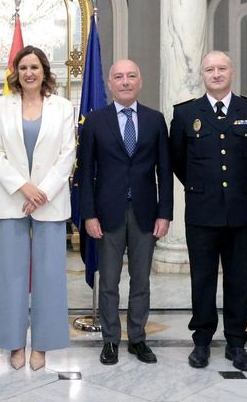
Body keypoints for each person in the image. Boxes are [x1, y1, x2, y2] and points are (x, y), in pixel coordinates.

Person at [169, 51, 247, 371]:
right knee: (203, 279)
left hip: (240, 210)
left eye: (222, 68)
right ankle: (202, 341)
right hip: (201, 210)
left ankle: (237, 342)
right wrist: (204, 186)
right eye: (210, 69)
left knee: (239, 279)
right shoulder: (185, 114)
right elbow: (179, 162)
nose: (216, 74)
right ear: (202, 75)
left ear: (232, 72)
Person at [0, 46, 76, 371]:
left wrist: (43, 191)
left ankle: (43, 344)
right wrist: (23, 187)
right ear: (16, 73)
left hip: (50, 202)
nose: (29, 73)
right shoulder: (0, 105)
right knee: (11, 275)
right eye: (23, 67)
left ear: (44, 71)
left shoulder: (63, 107)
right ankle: (13, 342)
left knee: (50, 275)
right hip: (12, 200)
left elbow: (67, 154)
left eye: (34, 67)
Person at [78, 59, 173, 365]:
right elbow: (86, 172)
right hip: (107, 214)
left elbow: (165, 171)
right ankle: (110, 340)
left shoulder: (155, 120)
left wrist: (165, 213)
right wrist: (89, 215)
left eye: (131, 75)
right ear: (109, 83)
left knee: (141, 280)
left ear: (140, 81)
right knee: (108, 281)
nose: (125, 81)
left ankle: (137, 338)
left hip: (146, 212)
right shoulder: (94, 121)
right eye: (119, 77)